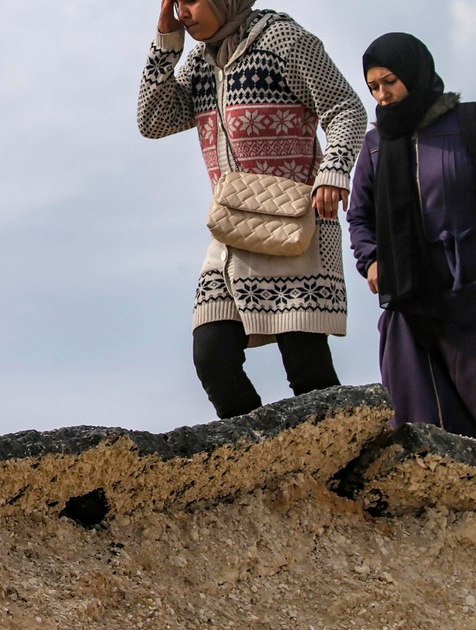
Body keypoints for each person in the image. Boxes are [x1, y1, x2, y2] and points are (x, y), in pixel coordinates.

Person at [137, 0, 367, 418]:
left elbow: (345, 108)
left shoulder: (284, 40)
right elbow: (153, 121)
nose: (182, 11)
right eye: (176, 1)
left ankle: (344, 451)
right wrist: (166, 42)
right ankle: (258, 449)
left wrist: (334, 171)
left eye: (191, 0)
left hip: (296, 226)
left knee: (306, 365)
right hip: (232, 232)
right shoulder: (200, 63)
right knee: (212, 356)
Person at [346, 32, 476, 445]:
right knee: (424, 417)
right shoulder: (375, 144)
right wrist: (371, 260)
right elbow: (360, 217)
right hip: (410, 295)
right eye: (373, 87)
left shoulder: (469, 122)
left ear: (414, 73)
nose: (382, 95)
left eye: (390, 81)